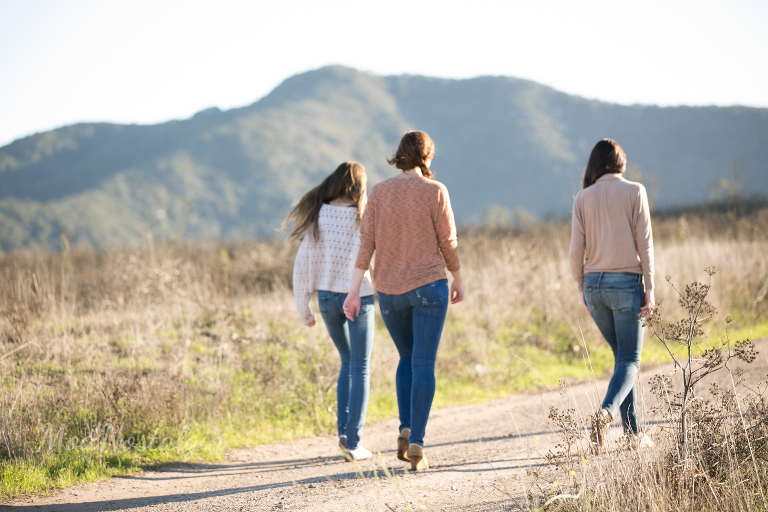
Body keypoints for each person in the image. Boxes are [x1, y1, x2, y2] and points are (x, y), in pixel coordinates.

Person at [343, 131, 464, 471]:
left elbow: (366, 243)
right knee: (423, 363)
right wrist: (458, 279)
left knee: (406, 358)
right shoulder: (435, 190)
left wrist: (353, 290)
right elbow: (448, 241)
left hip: (389, 292)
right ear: (428, 156)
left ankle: (405, 427)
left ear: (399, 156)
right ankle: (417, 443)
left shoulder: (379, 192)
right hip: (429, 287)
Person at [568, 139, 655, 452]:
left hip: (594, 287)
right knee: (630, 360)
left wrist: (581, 287)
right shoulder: (635, 191)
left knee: (622, 360)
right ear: (620, 162)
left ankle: (633, 435)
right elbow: (645, 243)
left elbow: (575, 249)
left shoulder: (582, 197)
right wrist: (650, 287)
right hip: (626, 285)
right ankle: (605, 413)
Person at [287, 161, 375, 461]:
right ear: (359, 186)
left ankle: (344, 435)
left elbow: (303, 264)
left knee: (347, 362)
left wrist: (304, 309)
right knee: (360, 366)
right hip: (358, 296)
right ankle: (353, 442)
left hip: (326, 298)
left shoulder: (319, 213)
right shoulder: (363, 214)